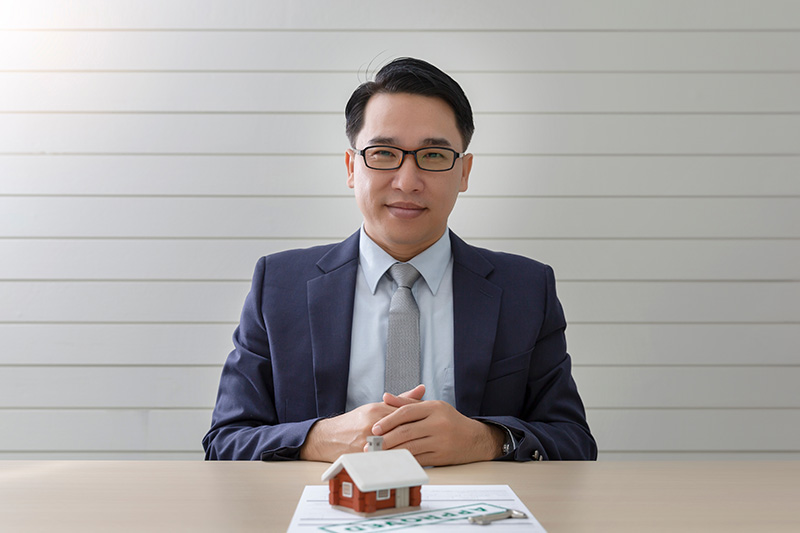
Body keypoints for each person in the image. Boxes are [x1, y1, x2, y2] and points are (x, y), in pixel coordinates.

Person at [203, 57, 597, 464]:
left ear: (464, 173)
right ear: (351, 167)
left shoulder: (525, 288)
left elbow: (574, 443)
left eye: (433, 156)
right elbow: (224, 442)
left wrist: (485, 440)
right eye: (384, 153)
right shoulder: (279, 285)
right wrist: (318, 439)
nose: (407, 181)